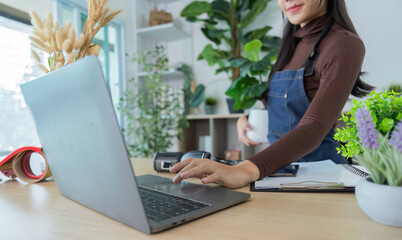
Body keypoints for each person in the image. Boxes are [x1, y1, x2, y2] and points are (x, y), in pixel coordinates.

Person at [170, 0, 374, 188]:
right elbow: (282, 106)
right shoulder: (289, 44)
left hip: (321, 177)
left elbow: (314, 126)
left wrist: (245, 169)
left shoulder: (344, 44)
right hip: (277, 172)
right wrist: (247, 119)